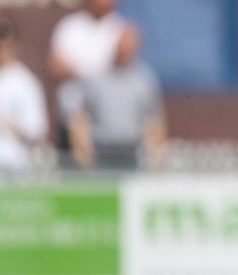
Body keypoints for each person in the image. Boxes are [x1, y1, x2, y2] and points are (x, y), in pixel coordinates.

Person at [68, 25, 166, 170]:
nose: (125, 51)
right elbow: (80, 118)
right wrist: (82, 154)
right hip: (100, 157)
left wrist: (155, 161)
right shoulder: (97, 78)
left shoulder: (144, 80)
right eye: (121, 46)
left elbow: (155, 122)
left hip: (134, 158)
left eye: (129, 46)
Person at [49, 0, 126, 153]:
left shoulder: (120, 29)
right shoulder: (71, 26)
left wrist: (79, 69)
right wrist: (93, 70)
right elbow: (56, 67)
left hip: (106, 123)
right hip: (72, 117)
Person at [0, 17, 48, 172]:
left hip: (15, 168)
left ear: (15, 46)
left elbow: (37, 132)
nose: (2, 50)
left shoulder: (26, 83)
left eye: (7, 44)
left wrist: (5, 125)